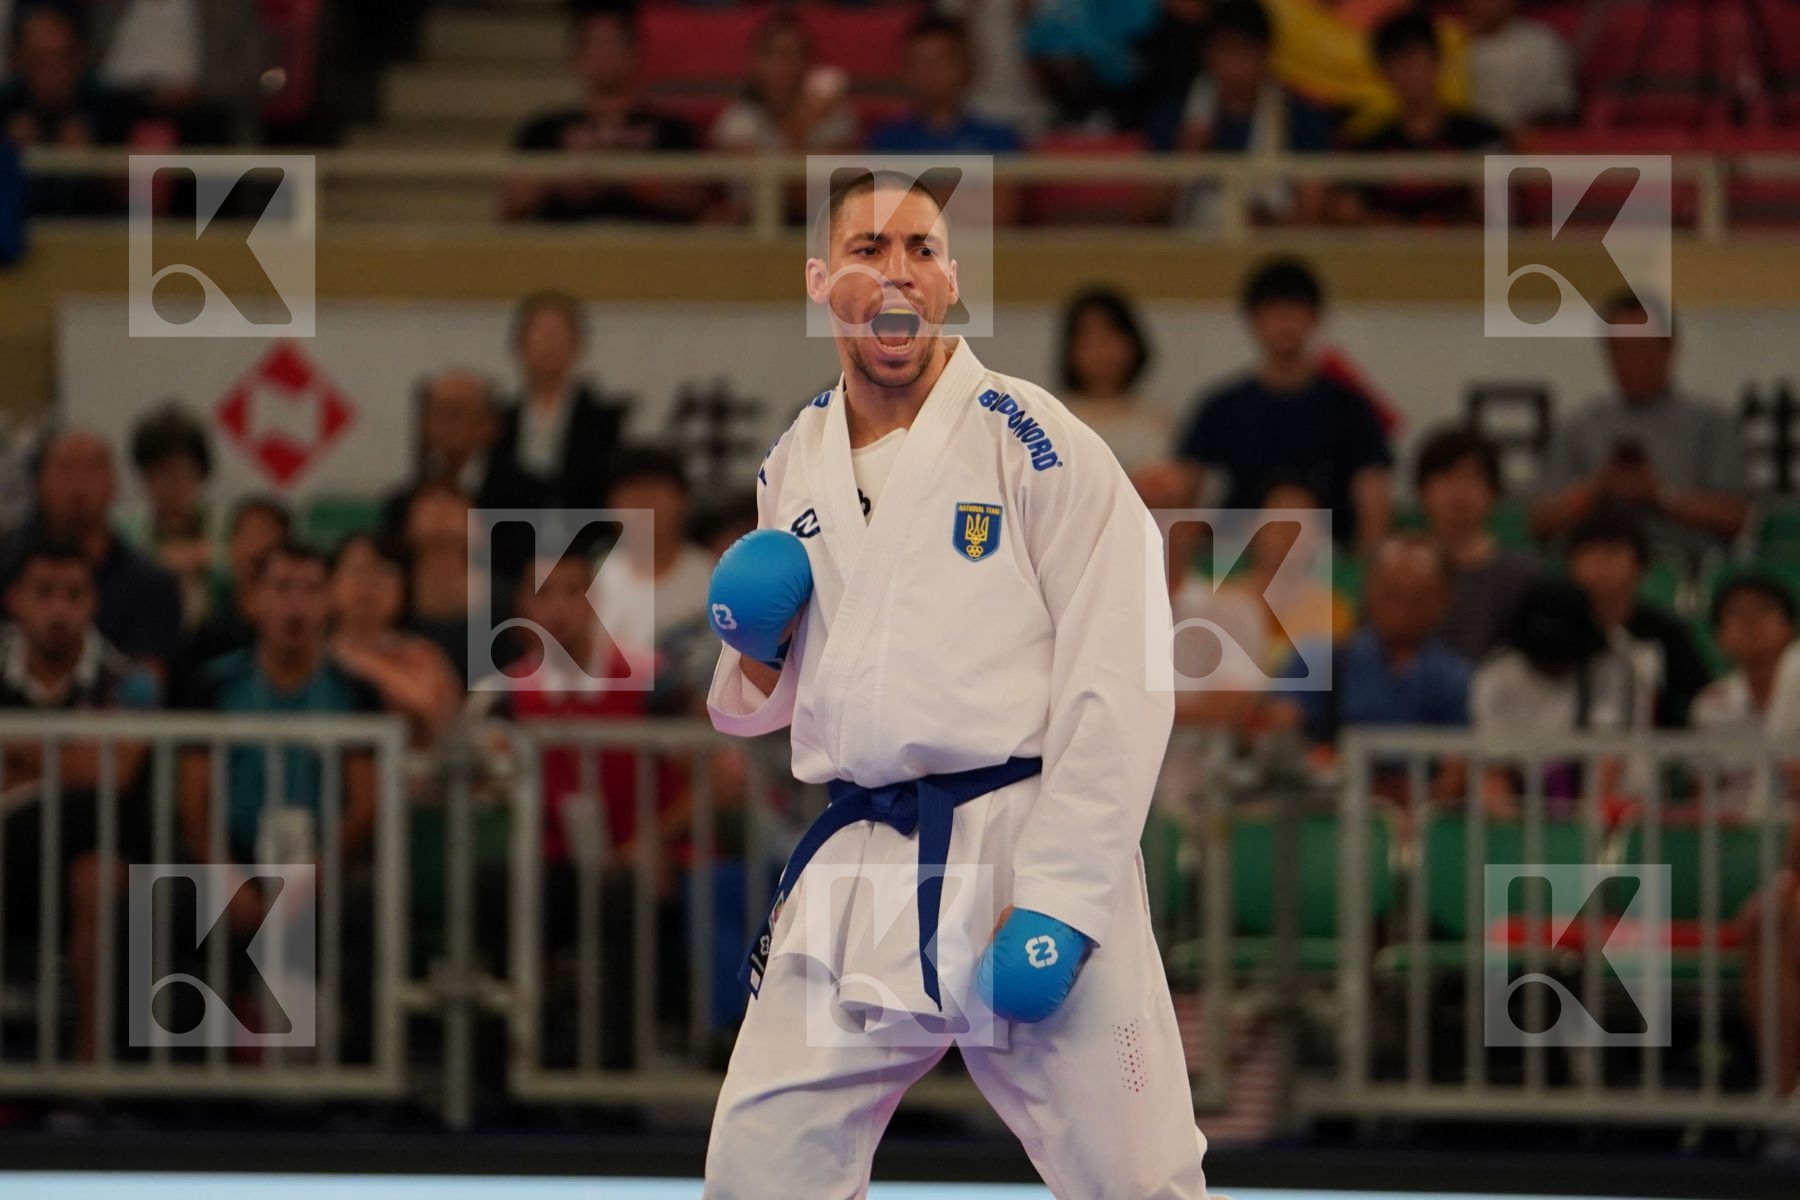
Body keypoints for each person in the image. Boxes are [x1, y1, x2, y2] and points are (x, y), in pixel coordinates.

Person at [701, 169, 1209, 1197]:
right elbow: (776, 689)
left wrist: (1065, 901)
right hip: (859, 859)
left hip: (1023, 843)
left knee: (1140, 1181)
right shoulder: (792, 458)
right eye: (868, 250)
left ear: (952, 282)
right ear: (820, 281)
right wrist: (751, 644)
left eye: (921, 251)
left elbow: (1121, 677)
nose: (896, 274)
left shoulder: (1039, 441)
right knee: (757, 1174)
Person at [466, 551, 687, 1068]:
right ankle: (512, 1068)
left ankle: (614, 1074)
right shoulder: (506, 695)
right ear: (523, 606)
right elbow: (475, 780)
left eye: (573, 592)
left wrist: (651, 840)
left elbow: (718, 776)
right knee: (492, 886)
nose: (560, 608)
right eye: (544, 594)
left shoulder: (654, 680)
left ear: (594, 601)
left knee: (623, 898)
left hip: (635, 864)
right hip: (552, 863)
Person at [172, 540, 381, 1058]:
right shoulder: (212, 686)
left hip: (323, 862)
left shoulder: (354, 692)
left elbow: (364, 806)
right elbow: (192, 803)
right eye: (282, 588)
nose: (296, 605)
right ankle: (180, 1082)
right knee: (168, 895)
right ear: (253, 601)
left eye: (311, 590)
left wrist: (312, 876)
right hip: (232, 860)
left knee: (369, 900)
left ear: (330, 602)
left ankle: (362, 1081)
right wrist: (226, 876)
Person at [0, 539, 158, 1060]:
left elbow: (112, 775)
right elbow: (87, 767)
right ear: (15, 600)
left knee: (99, 868)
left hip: (77, 857)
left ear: (93, 603)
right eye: (44, 593)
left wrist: (17, 753)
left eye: (73, 594)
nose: (59, 609)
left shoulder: (130, 681)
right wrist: (71, 756)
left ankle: (91, 1068)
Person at [1175, 257, 1394, 550]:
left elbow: (1373, 491)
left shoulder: (1349, 406)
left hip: (1329, 559)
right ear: (1252, 319)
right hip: (1236, 558)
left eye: (1294, 311)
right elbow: (1186, 489)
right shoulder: (1221, 407)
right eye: (1273, 312)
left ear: (1315, 318)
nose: (1284, 323)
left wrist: (1364, 568)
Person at [1531, 292, 1750, 564]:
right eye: (1617, 349)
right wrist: (1596, 490)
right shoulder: (1579, 427)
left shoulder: (1712, 425)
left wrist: (1660, 495)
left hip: (1687, 567)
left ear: (1669, 347)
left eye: (1639, 347)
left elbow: (1736, 518)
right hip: (1593, 571)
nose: (1628, 361)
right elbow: (1540, 521)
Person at [0, 429, 183, 675]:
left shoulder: (150, 585)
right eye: (65, 468)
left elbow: (150, 685)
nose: (79, 482)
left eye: (92, 468)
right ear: (38, 482)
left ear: (113, 484)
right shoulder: (5, 567)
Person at [503, 7, 705, 223]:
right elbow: (511, 206)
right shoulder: (542, 129)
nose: (604, 54)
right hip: (565, 250)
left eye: (613, 44)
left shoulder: (672, 129)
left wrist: (629, 182)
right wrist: (565, 176)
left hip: (649, 249)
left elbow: (695, 201)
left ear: (635, 52)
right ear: (574, 57)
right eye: (592, 44)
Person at [1273, 533, 1471, 742]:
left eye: (1416, 596)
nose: (1401, 608)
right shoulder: (1315, 661)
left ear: (1443, 601)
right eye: (1391, 593)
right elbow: (1281, 729)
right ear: (1368, 588)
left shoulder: (1457, 679)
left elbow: (1459, 760)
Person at [1162, 0, 1336, 228]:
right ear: (1206, 54)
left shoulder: (1303, 117)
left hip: (1272, 253)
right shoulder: (1175, 114)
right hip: (1192, 251)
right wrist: (1181, 162)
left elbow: (1312, 214)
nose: (1235, 64)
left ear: (1266, 53)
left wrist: (1268, 225)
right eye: (1224, 49)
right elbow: (1142, 213)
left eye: (1245, 50)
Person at [1339, 10, 1506, 225]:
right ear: (1384, 73)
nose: (1409, 71)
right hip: (1393, 254)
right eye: (1397, 62)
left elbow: (1494, 214)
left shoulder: (1482, 135)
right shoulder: (1369, 144)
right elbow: (1348, 213)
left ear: (1438, 60)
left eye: (1416, 57)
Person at [1564, 505, 1711, 730]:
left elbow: (1699, 698)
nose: (1601, 564)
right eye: (1590, 552)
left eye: (1613, 551)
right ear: (1571, 566)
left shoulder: (1667, 633)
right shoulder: (1558, 632)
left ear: (1640, 566)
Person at [493, 290, 630, 517]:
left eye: (558, 332)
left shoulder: (604, 420)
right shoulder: (498, 419)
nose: (549, 342)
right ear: (519, 345)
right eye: (540, 332)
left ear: (578, 345)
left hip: (584, 538)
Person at [1413, 424, 1538, 662]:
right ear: (1422, 490)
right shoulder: (1397, 574)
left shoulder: (1520, 579)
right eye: (1446, 476)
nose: (1460, 491)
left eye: (1473, 478)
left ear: (1494, 493)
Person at [327, 532, 461, 746]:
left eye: (384, 572)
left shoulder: (425, 656)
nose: (368, 583)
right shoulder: (313, 655)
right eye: (357, 570)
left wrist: (359, 661)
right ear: (331, 583)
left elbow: (437, 716)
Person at [1, 5, 135, 215]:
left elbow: (135, 196)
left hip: (95, 238)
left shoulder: (109, 107)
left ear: (79, 58)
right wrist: (7, 155)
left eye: (60, 59)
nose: (49, 73)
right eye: (38, 60)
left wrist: (93, 162)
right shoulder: (5, 106)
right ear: (18, 60)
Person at [592, 445, 715, 669]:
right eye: (632, 493)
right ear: (611, 505)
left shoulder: (715, 575)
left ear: (683, 501)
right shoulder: (592, 578)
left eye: (655, 492)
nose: (644, 503)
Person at [867, 16, 1023, 156]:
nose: (929, 71)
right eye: (919, 63)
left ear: (966, 66)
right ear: (905, 71)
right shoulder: (888, 139)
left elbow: (1004, 188)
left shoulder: (996, 138)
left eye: (940, 61)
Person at [1055, 286, 1171, 473]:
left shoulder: (1157, 425)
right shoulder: (1049, 420)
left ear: (1133, 344)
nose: (1100, 348)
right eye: (1088, 336)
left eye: (1111, 334)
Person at [124, 401, 217, 629]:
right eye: (157, 473)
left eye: (177, 472)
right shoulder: (125, 531)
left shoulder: (228, 525)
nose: (168, 486)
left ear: (200, 473)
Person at [711, 12, 857, 155]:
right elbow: (767, 176)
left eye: (794, 53)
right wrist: (803, 124)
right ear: (754, 62)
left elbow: (835, 175)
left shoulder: (834, 115)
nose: (784, 63)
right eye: (774, 54)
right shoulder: (735, 121)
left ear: (808, 61)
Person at [179, 495, 289, 676]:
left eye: (266, 534)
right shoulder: (209, 634)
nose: (256, 547)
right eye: (247, 534)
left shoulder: (301, 632)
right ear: (231, 546)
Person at [1692, 573, 1800, 739]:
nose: (1751, 621)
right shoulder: (1711, 705)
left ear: (1790, 627)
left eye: (1764, 609)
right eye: (1737, 612)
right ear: (1718, 637)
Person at [1461, 0, 1577, 132]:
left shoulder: (1543, 43)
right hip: (1461, 144)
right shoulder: (1446, 43)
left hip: (1529, 141)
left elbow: (1560, 107)